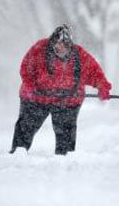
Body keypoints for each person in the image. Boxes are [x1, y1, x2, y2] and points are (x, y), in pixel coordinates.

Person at [9, 24, 112, 155]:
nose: (60, 48)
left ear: (70, 46)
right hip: (37, 98)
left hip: (68, 100)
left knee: (66, 132)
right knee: (26, 127)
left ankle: (65, 159)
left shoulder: (79, 56)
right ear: (52, 42)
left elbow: (94, 73)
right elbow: (26, 69)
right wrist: (32, 87)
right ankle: (17, 153)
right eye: (57, 44)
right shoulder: (39, 49)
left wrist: (102, 87)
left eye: (65, 45)